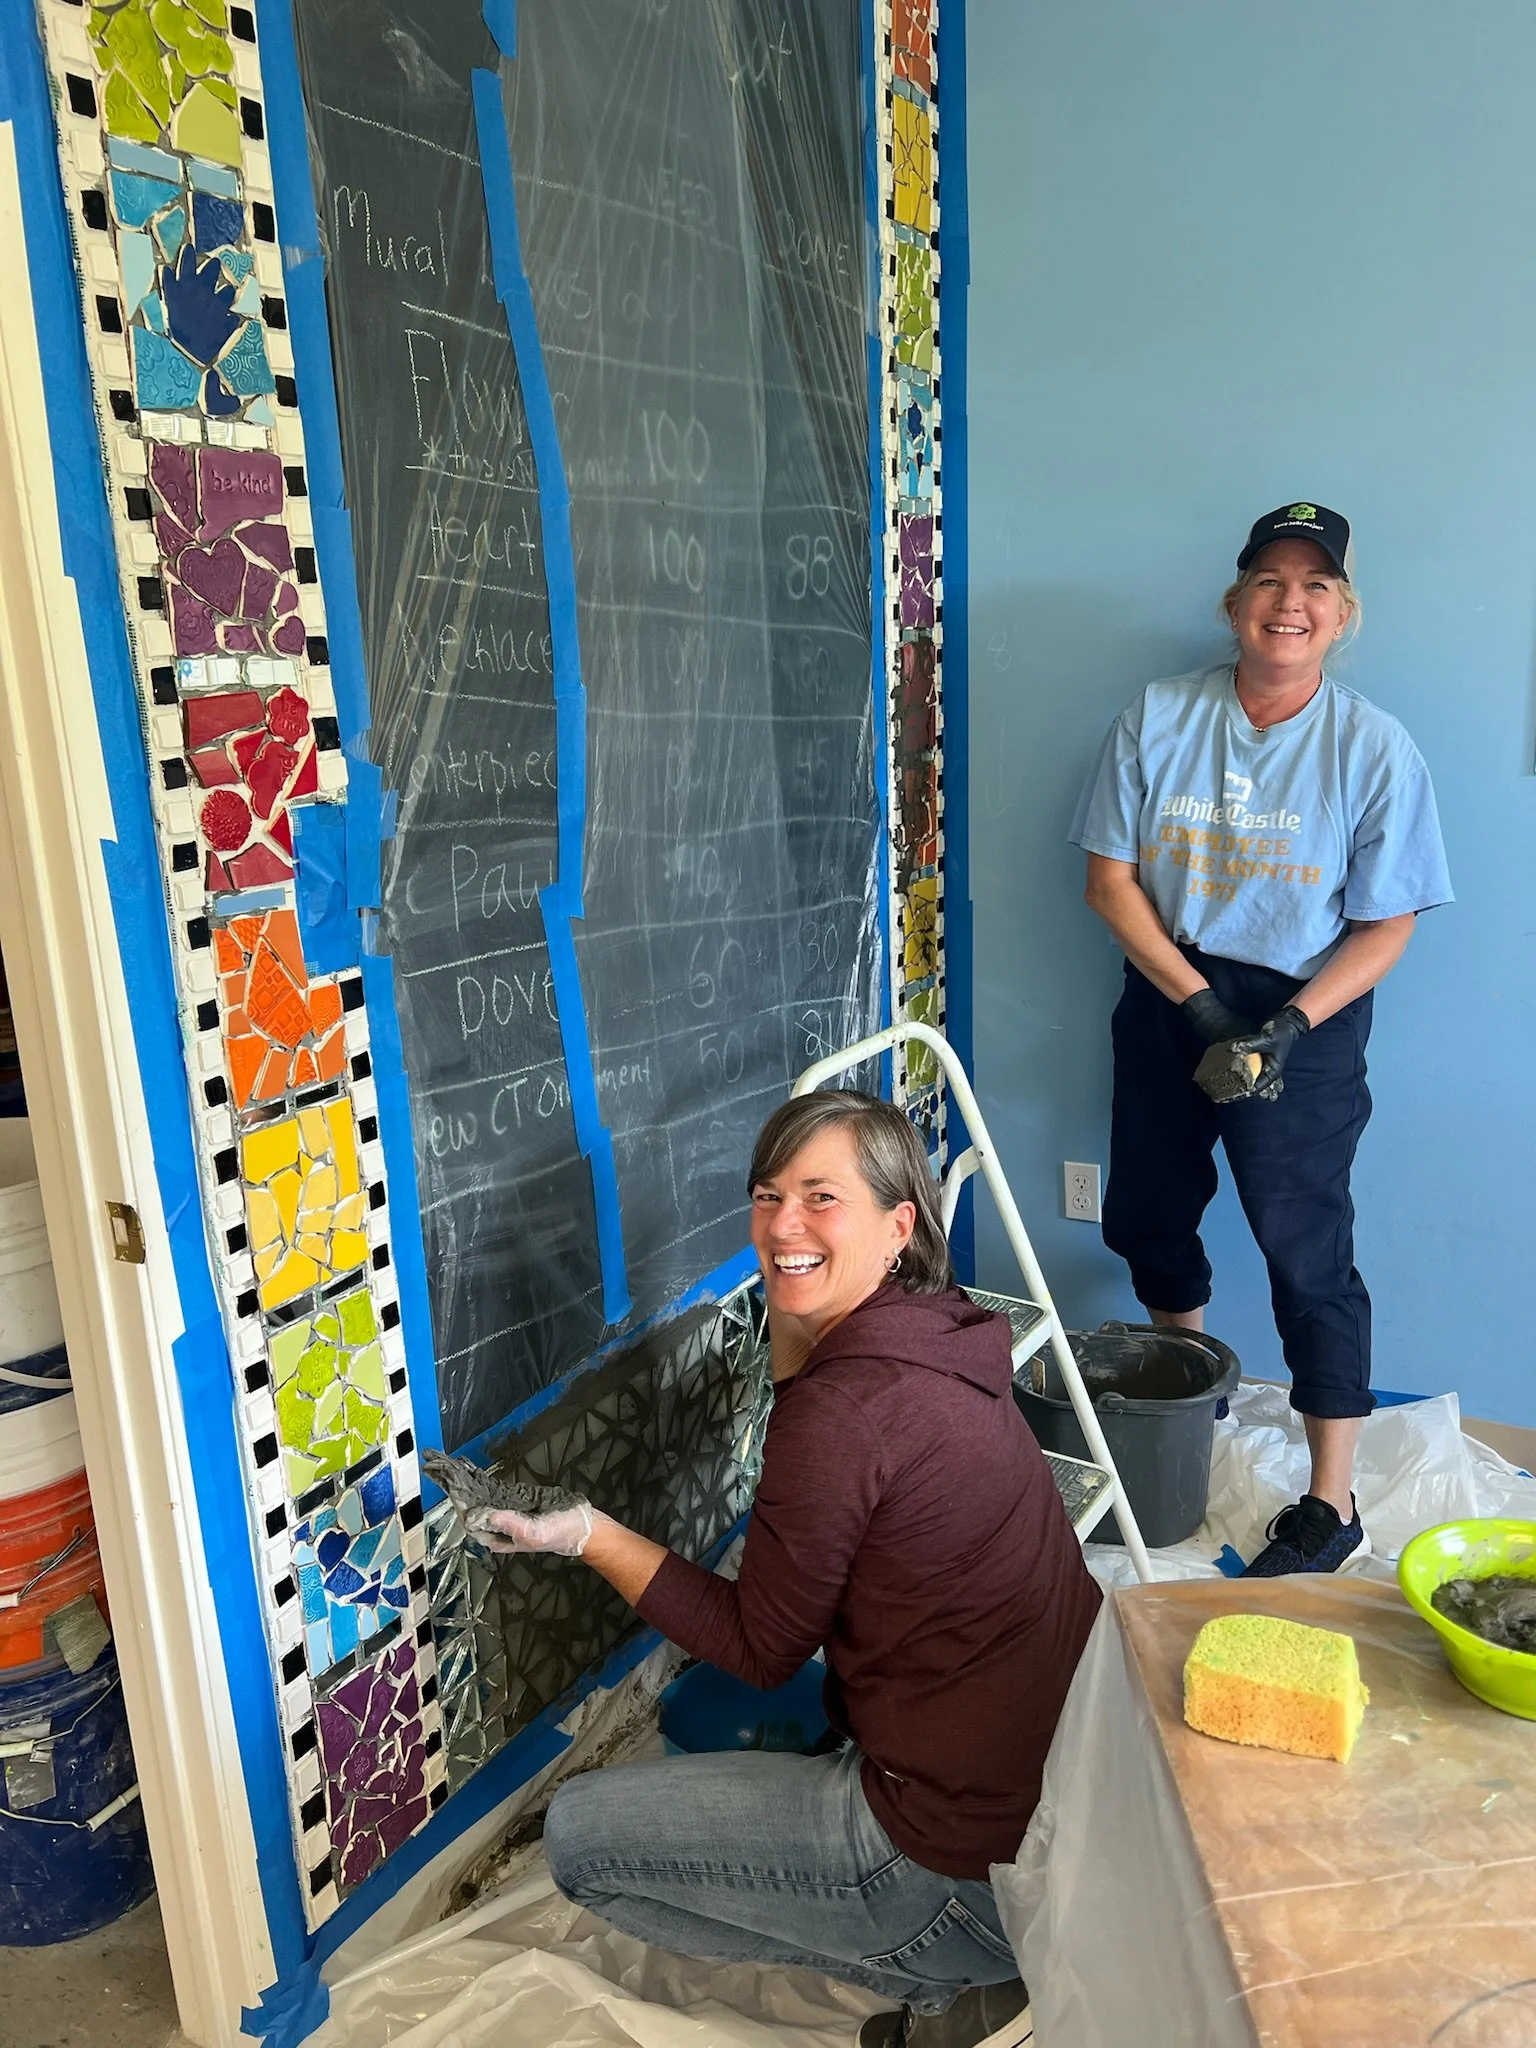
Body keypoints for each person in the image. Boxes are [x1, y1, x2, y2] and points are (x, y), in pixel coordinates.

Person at [478, 1088, 1101, 2048]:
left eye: (821, 1197)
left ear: (899, 1225)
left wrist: (587, 1534)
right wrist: (799, 1301)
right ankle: (973, 1953)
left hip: (958, 1857)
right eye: (767, 1197)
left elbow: (759, 1648)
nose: (782, 1225)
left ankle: (958, 1972)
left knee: (580, 1839)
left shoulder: (845, 1413)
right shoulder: (944, 1329)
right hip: (1059, 1797)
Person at [1071, 502, 1452, 1575]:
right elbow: (1108, 880)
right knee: (1148, 1204)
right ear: (1235, 603)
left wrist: (1282, 1029)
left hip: (1306, 1008)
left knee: (1304, 1244)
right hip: (1167, 983)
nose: (1292, 601)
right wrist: (1197, 1007)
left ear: (1343, 617)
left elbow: (1388, 924)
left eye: (1316, 586)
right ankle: (1187, 1378)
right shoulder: (1160, 715)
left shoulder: (1373, 746)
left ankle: (1332, 1501)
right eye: (1271, 581)